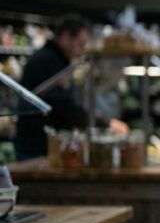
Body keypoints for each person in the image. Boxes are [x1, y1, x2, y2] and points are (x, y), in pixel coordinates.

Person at [14, 14, 127, 160]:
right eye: (80, 44)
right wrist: (105, 124)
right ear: (66, 37)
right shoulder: (48, 61)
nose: (82, 50)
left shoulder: (57, 61)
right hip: (37, 146)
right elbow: (61, 106)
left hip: (45, 143)